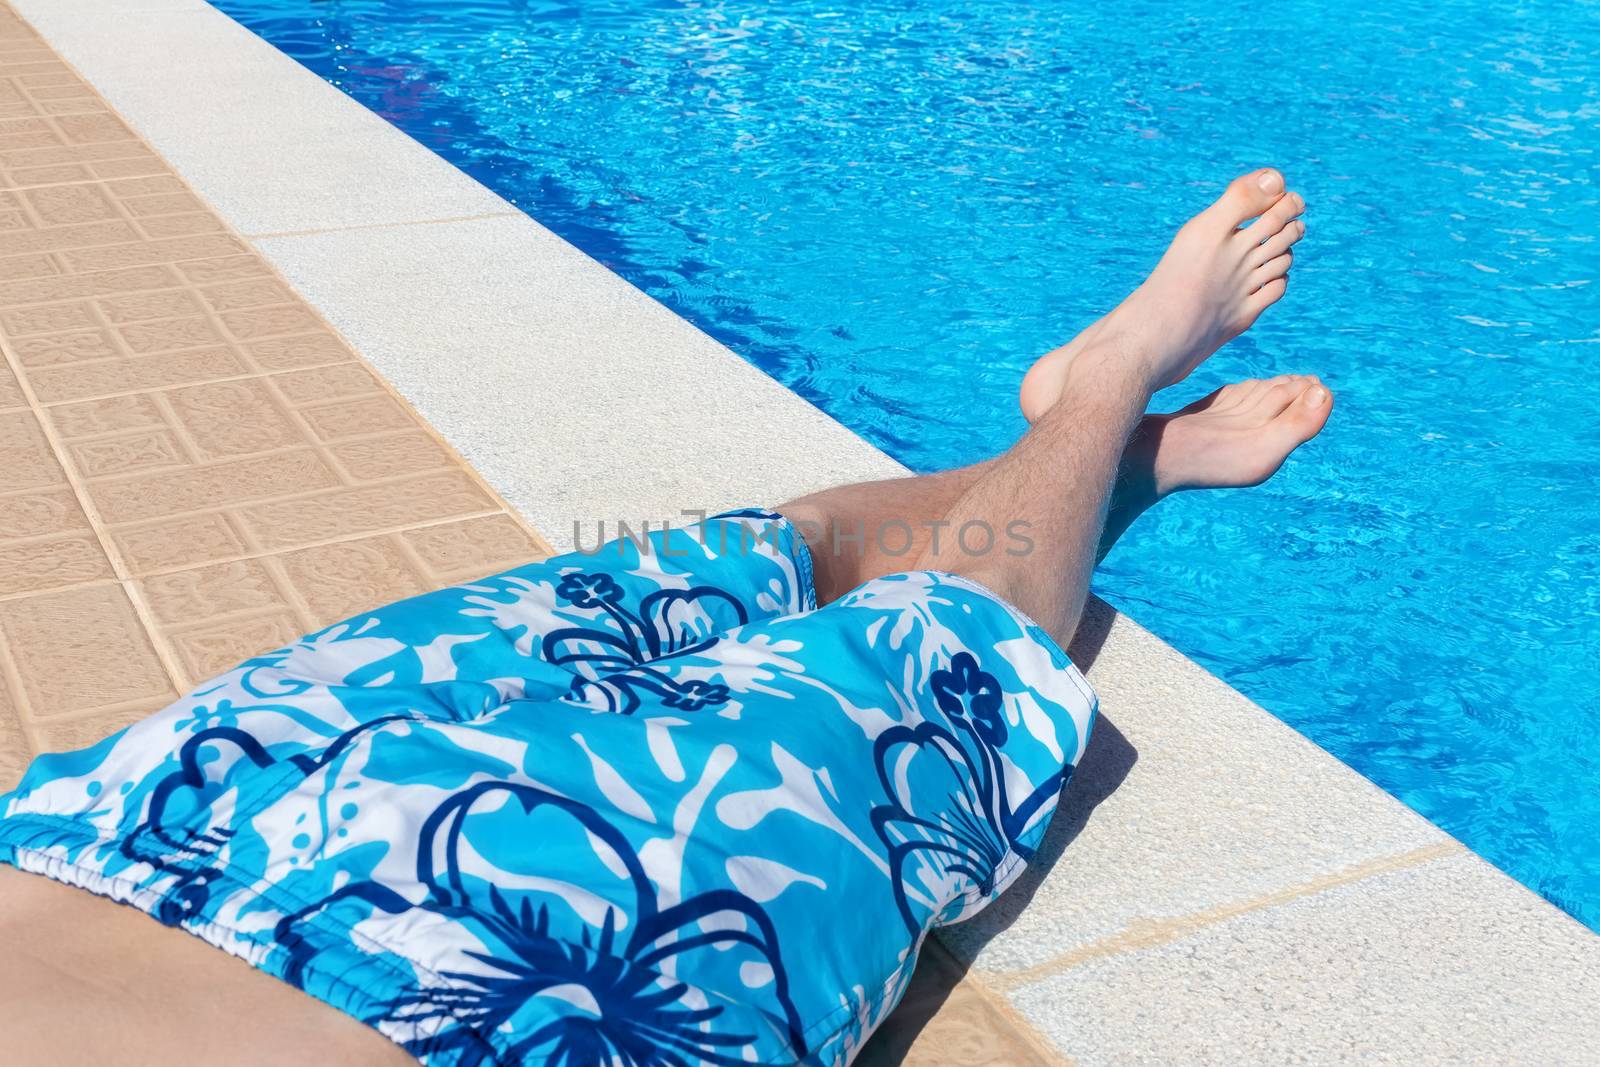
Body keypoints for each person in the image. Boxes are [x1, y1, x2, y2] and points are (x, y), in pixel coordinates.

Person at [0, 169, 1324, 1066]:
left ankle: (1092, 452)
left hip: (135, 822)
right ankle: (1105, 410)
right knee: (921, 672)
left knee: (740, 564)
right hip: (491, 987)